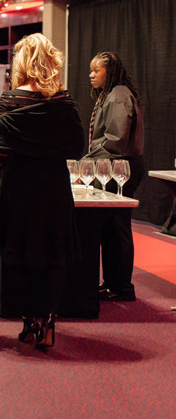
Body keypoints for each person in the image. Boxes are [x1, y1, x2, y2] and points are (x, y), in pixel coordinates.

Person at [0, 33, 84, 349]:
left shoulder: (11, 99)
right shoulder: (63, 102)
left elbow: (2, 148)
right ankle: (48, 319)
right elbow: (78, 148)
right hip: (54, 186)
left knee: (21, 252)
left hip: (19, 185)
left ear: (21, 63)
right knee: (54, 253)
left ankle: (29, 322)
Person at [82, 51, 144, 302]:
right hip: (113, 166)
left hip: (121, 168)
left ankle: (121, 286)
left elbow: (115, 141)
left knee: (117, 228)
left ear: (110, 71)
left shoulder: (118, 94)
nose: (91, 75)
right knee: (110, 228)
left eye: (96, 70)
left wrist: (84, 160)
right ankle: (112, 282)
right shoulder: (110, 95)